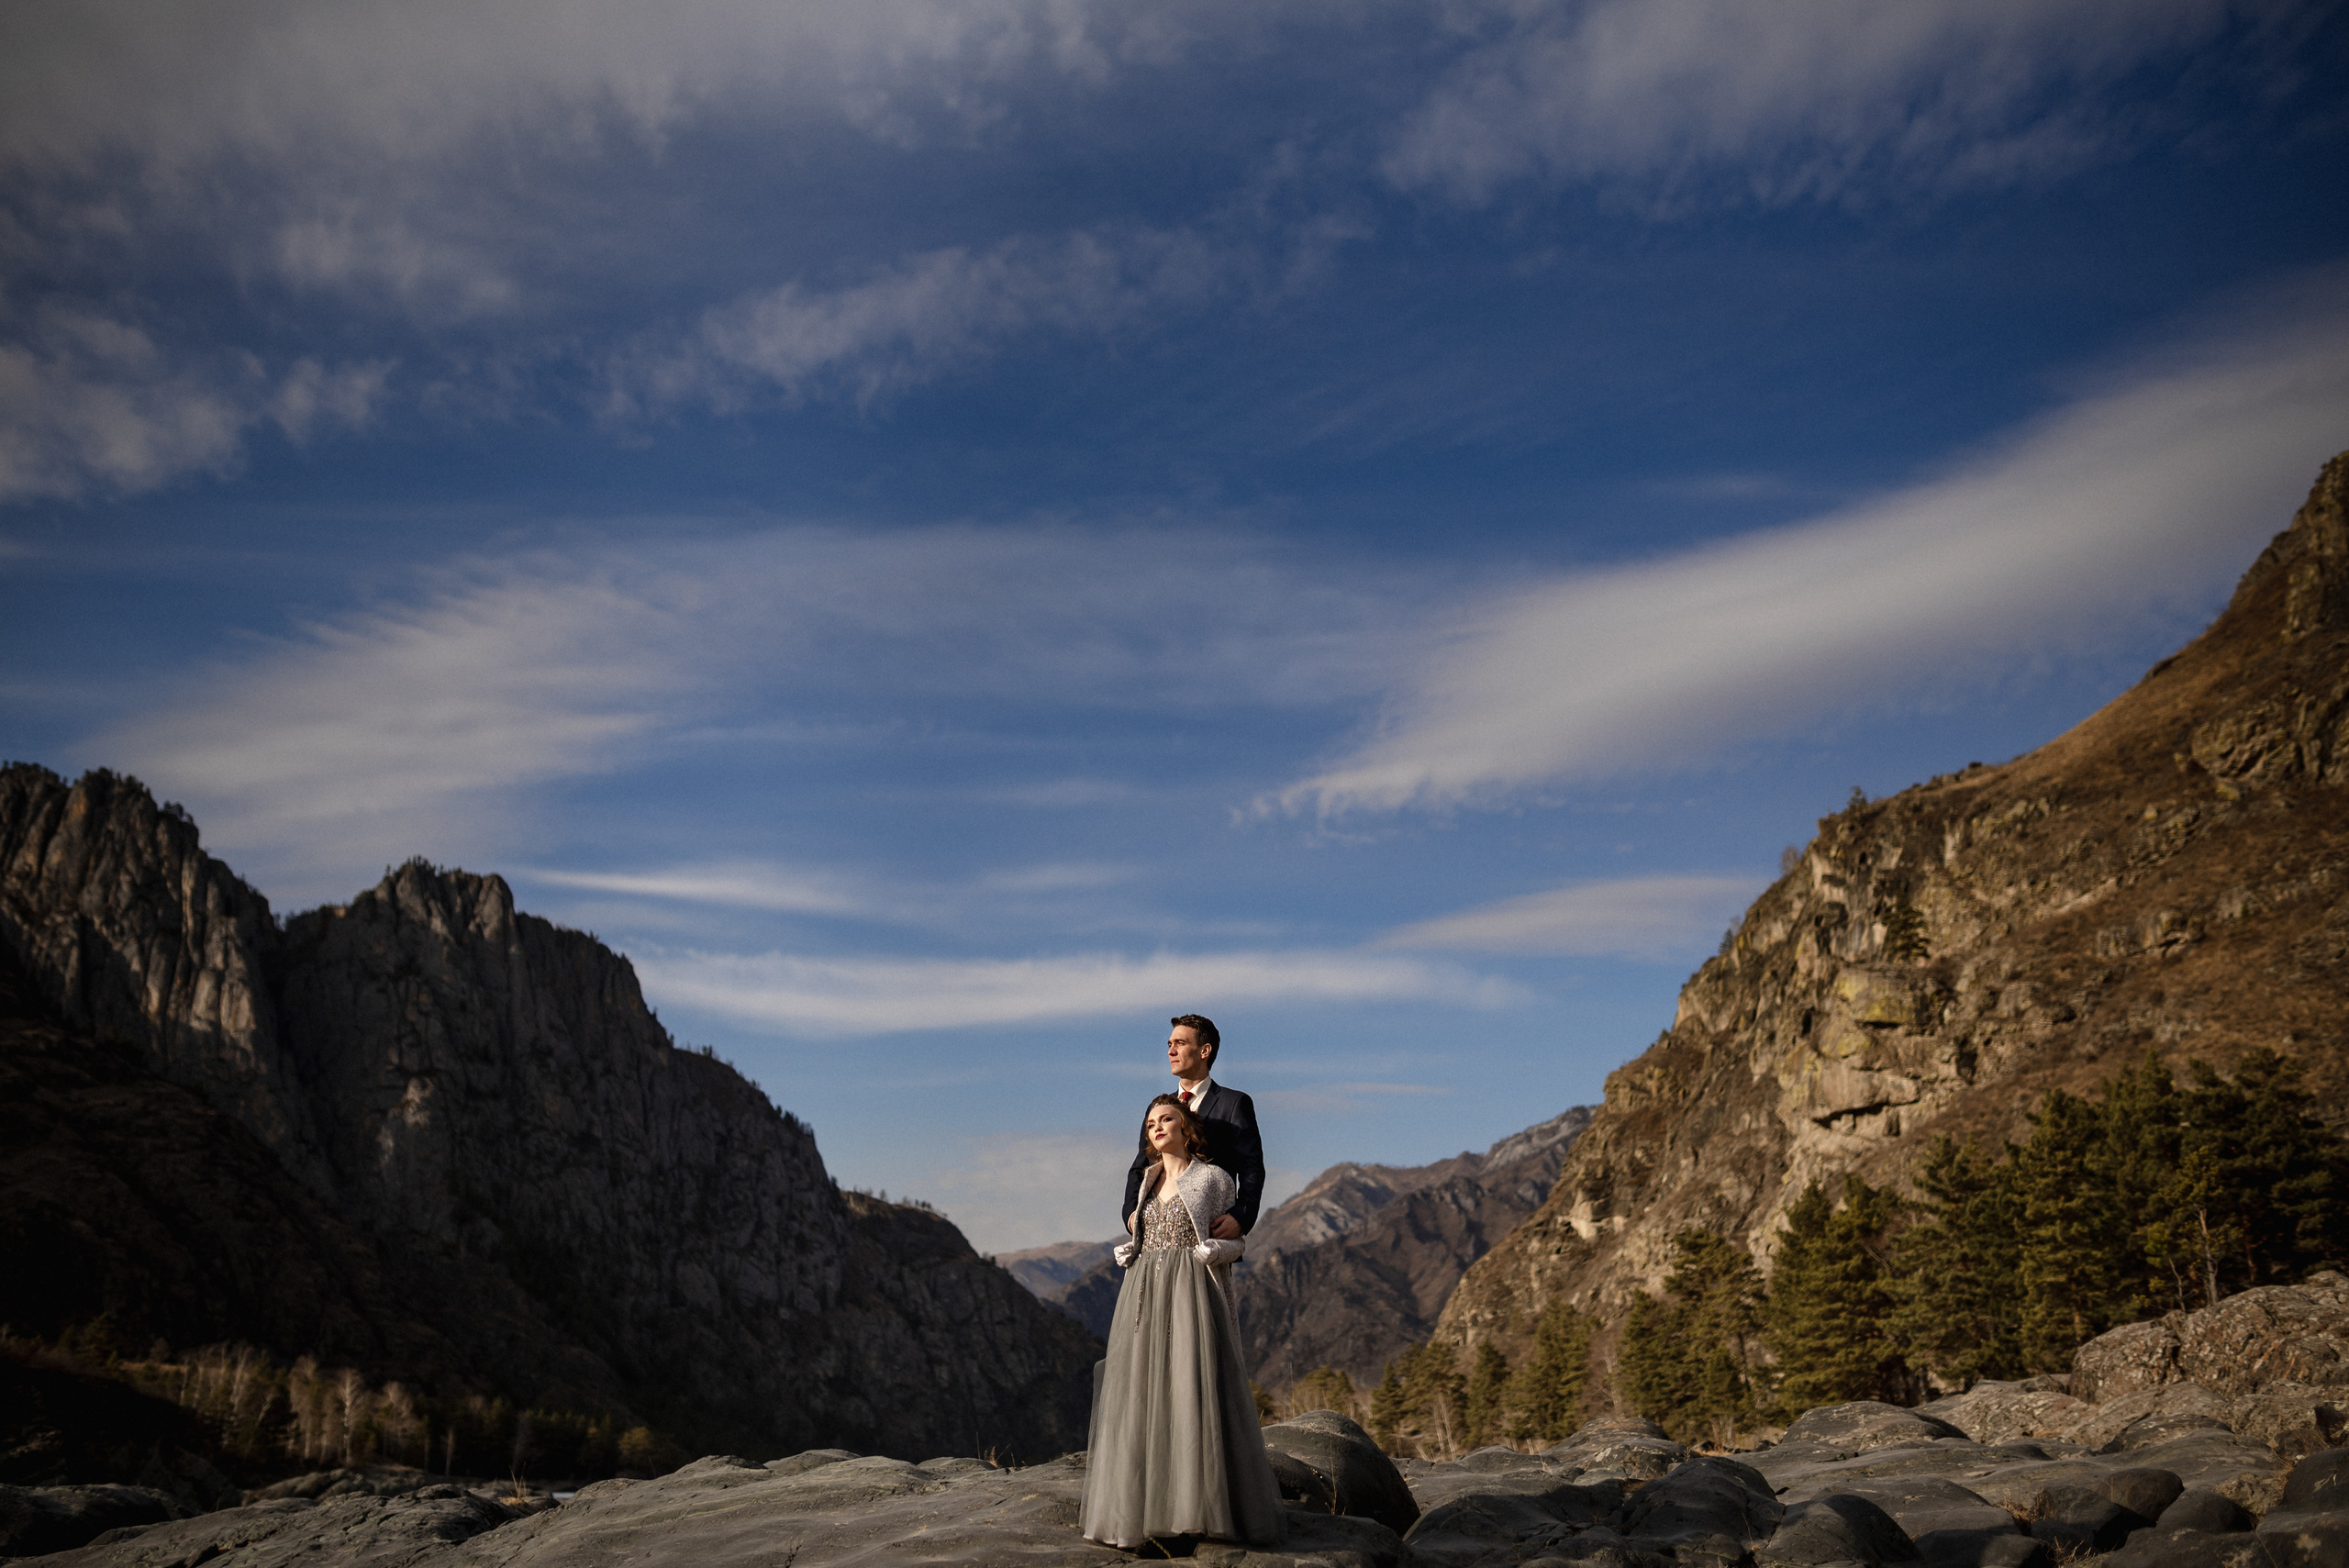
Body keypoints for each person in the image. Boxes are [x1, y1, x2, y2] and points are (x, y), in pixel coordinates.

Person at [1079, 1095, 1286, 1549]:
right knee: (1142, 1395)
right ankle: (1140, 1513)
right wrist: (1130, 1249)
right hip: (1144, 1293)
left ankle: (1192, 1514)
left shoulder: (1213, 1178)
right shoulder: (1146, 1182)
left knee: (1189, 1393)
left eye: (1165, 1118)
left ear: (1186, 1125)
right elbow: (1143, 1234)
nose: (1155, 1126)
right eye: (1150, 1121)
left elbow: (1238, 1243)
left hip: (1191, 1294)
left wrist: (1216, 1250)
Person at [1121, 1015, 1264, 1241]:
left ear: (1204, 1051)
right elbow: (1141, 1165)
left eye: (1180, 1043)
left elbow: (1251, 1166)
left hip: (1209, 1234)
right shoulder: (1157, 1108)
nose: (1171, 1051)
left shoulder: (1234, 1103)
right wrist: (1131, 1214)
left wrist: (1241, 1217)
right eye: (1169, 1044)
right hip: (1155, 1231)